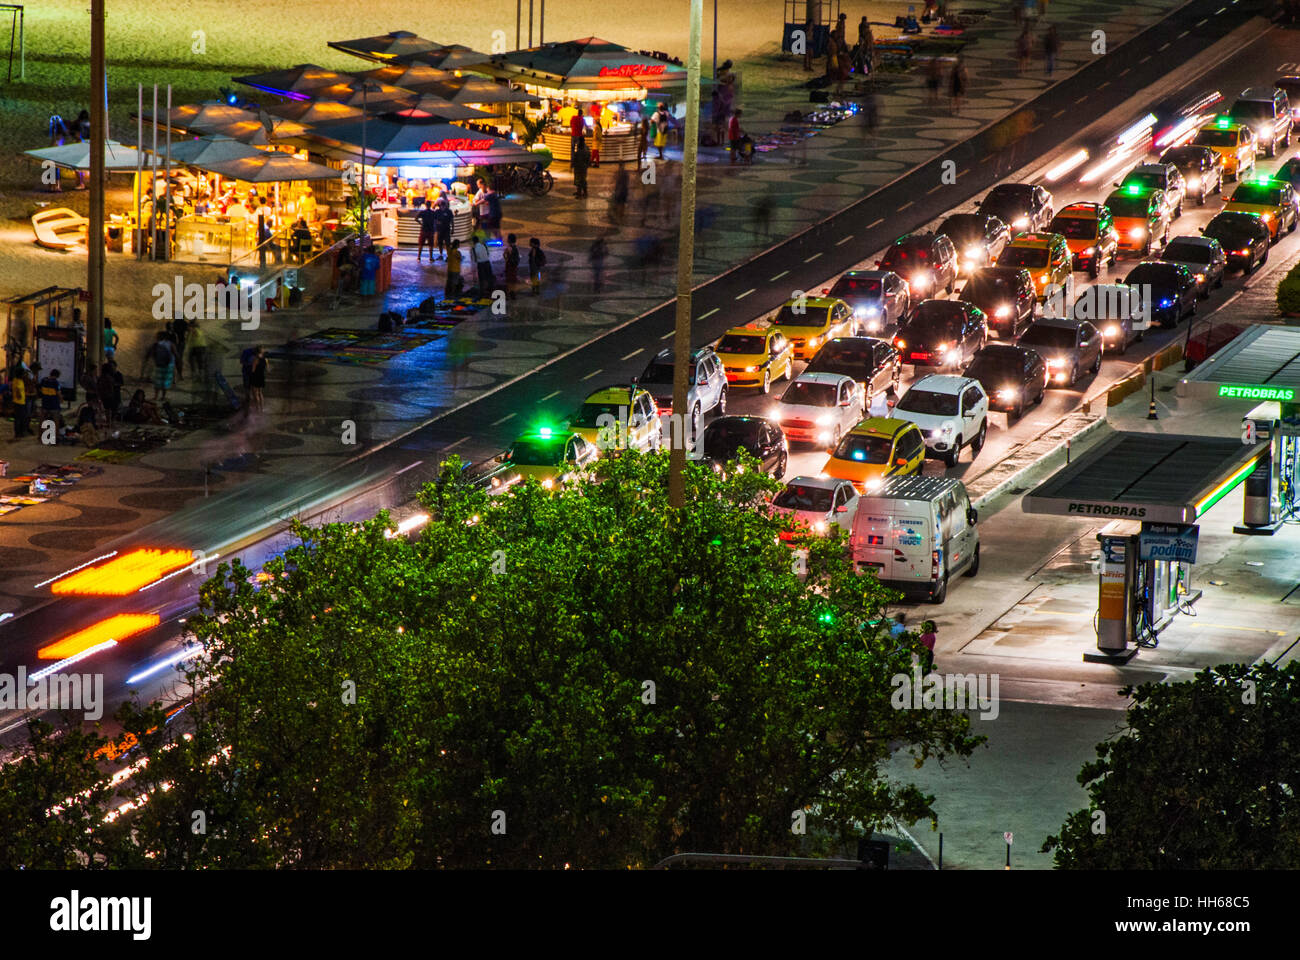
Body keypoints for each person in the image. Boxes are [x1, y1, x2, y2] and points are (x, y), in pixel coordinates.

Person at [150, 332, 178, 401]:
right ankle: (163, 396)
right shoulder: (170, 344)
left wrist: (156, 361)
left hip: (158, 365)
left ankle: (156, 396)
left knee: (157, 381)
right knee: (165, 381)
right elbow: (176, 354)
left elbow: (152, 354)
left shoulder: (156, 344)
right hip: (168, 365)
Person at [97, 360, 123, 424]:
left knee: (107, 409)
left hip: (104, 396)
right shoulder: (109, 378)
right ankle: (111, 422)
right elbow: (110, 387)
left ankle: (109, 422)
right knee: (112, 409)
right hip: (110, 396)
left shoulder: (101, 377)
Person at [10, 366, 29, 439]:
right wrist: (19, 396)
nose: (24, 375)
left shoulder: (18, 380)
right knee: (19, 418)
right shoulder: (17, 381)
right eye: (23, 374)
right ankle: (18, 433)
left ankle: (20, 432)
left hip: (21, 402)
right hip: (19, 402)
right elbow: (17, 390)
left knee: (20, 418)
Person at [249, 346, 267, 413]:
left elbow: (253, 370)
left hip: (255, 377)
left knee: (255, 393)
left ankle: (257, 409)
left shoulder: (256, 359)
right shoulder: (265, 359)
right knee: (260, 393)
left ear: (256, 352)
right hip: (261, 376)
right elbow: (266, 369)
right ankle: (262, 408)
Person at [503, 233, 521, 299]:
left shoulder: (509, 248)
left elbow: (506, 257)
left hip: (510, 266)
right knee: (513, 280)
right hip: (514, 267)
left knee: (509, 280)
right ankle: (513, 293)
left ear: (509, 240)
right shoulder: (516, 248)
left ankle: (509, 294)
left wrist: (506, 255)